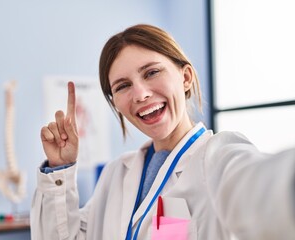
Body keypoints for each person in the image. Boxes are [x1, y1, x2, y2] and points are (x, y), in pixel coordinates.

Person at [31, 24, 295, 240]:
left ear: (186, 77)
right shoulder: (116, 175)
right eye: (122, 86)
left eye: (152, 72)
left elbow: (264, 188)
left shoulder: (217, 158)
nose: (141, 94)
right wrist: (59, 168)